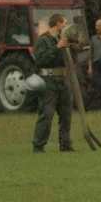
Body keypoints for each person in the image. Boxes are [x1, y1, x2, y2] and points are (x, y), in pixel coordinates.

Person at [31, 13, 74, 153]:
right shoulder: (42, 40)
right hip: (49, 81)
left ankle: (65, 144)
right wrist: (56, 48)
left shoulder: (64, 39)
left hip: (63, 79)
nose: (66, 26)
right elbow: (41, 60)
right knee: (47, 114)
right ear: (58, 24)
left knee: (66, 114)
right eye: (65, 23)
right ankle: (38, 145)